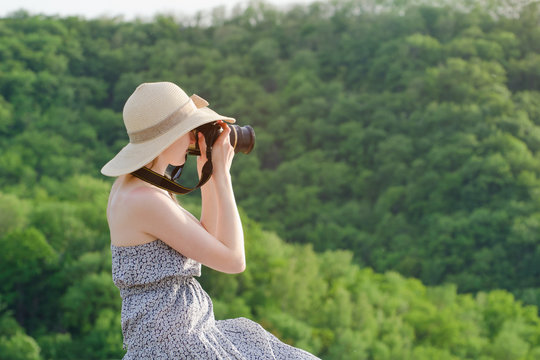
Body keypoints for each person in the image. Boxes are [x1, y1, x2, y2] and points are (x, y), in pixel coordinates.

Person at [101, 82, 320, 359]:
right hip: (174, 345)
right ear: (169, 136)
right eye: (189, 130)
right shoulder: (145, 200)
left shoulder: (140, 185)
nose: (193, 138)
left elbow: (207, 235)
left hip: (183, 332)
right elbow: (233, 259)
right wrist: (223, 177)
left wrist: (209, 171)